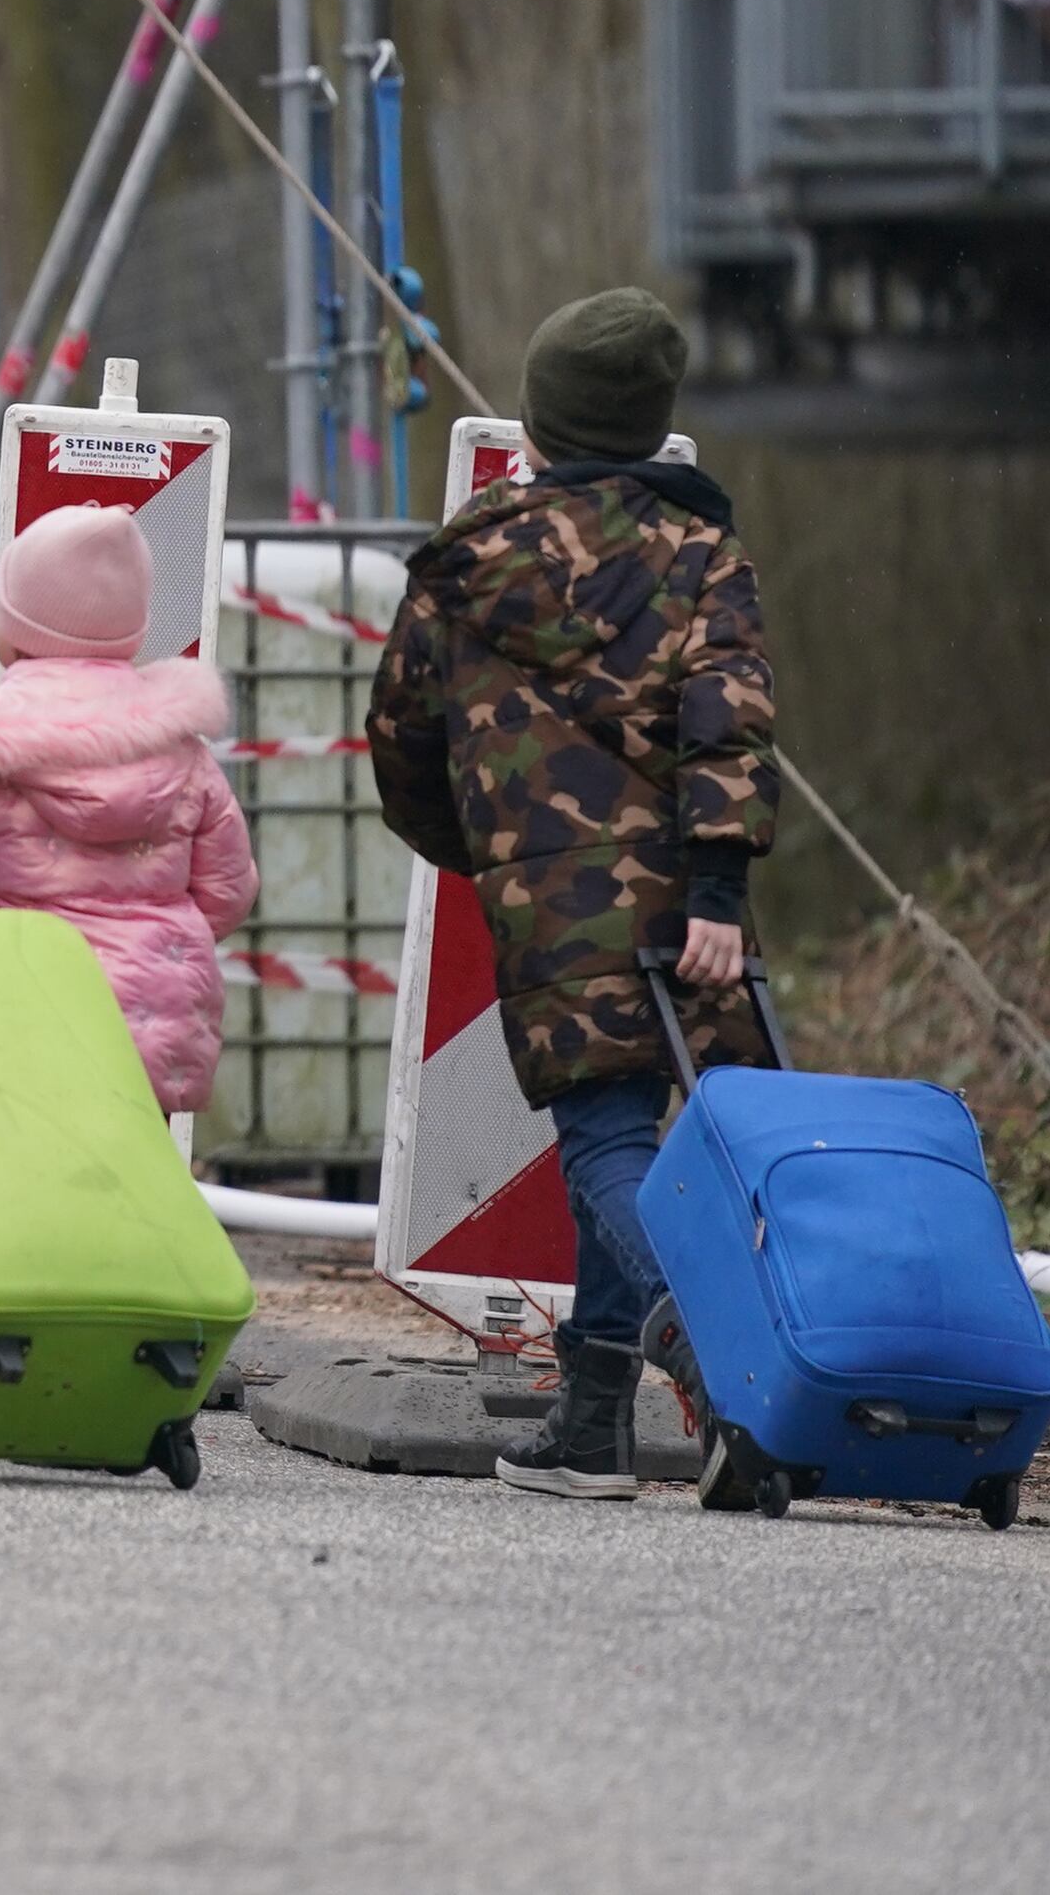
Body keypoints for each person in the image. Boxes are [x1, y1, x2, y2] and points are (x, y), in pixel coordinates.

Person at [366, 286, 775, 1502]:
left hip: (548, 899)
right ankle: (594, 1423)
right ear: (651, 427)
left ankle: (710, 1354)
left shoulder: (464, 562)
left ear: (533, 425)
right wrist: (712, 883)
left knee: (604, 1146)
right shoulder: (701, 551)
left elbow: (400, 743)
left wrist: (484, 854)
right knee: (637, 1137)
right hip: (691, 901)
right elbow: (732, 726)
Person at [0, 502, 257, 1121]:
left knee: (25, 1185)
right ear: (133, 627)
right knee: (132, 1185)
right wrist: (152, 945)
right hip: (151, 1030)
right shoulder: (184, 753)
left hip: (16, 1018)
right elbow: (229, 891)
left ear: (11, 625)